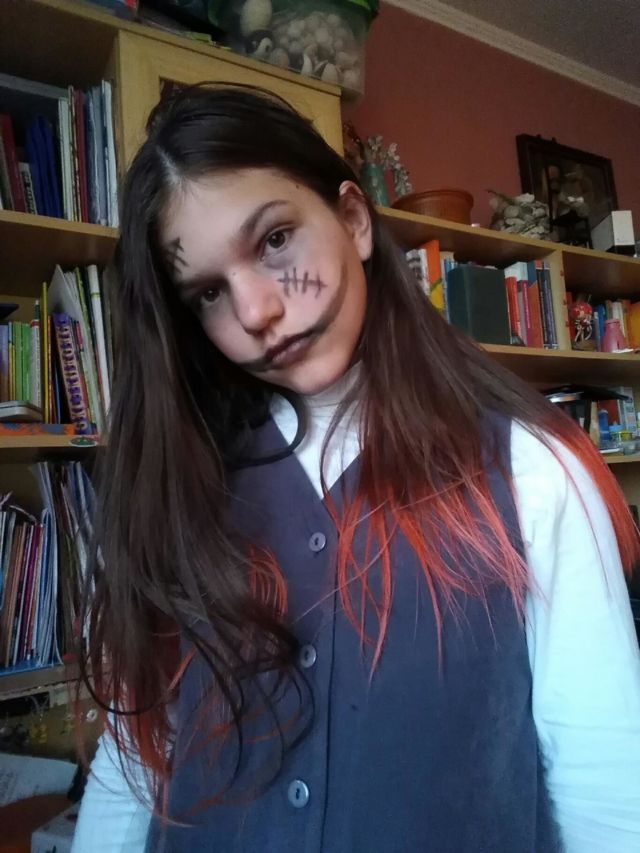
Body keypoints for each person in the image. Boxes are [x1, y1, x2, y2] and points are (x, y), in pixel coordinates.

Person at [72, 85, 640, 853]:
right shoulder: (174, 492)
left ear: (353, 218)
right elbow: (131, 770)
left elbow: (609, 799)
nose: (255, 311)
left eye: (275, 240)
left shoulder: (533, 470)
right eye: (207, 292)